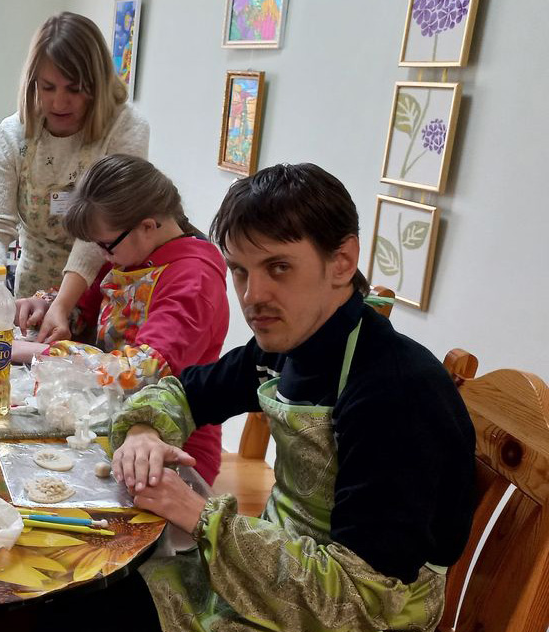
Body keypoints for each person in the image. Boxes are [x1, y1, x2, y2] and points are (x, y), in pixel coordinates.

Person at [111, 163, 476, 630]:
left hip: (348, 614)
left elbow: (359, 601)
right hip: (274, 575)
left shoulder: (397, 394)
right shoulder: (288, 344)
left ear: (342, 262)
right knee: (86, 598)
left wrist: (197, 514)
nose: (252, 296)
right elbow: (185, 393)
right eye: (239, 270)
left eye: (278, 267)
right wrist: (144, 432)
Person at [11, 154, 228, 484]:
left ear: (148, 226)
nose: (101, 254)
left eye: (105, 245)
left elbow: (145, 371)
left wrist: (44, 353)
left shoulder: (194, 280)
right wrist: (50, 307)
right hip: (108, 416)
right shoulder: (133, 253)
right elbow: (87, 307)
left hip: (169, 444)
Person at [0, 11, 149, 301]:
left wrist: (61, 305)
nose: (59, 102)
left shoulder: (125, 129)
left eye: (74, 89)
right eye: (48, 87)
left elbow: (104, 227)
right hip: (32, 293)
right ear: (33, 82)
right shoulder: (13, 135)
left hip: (104, 299)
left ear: (97, 85)